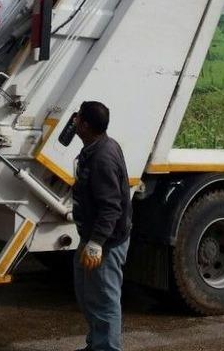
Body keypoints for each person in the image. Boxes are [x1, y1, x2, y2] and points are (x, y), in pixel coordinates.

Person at [71, 101, 132, 351]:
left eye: (78, 118)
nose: (73, 121)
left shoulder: (102, 158)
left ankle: (107, 348)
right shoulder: (97, 146)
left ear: (85, 125)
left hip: (105, 242)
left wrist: (96, 243)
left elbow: (111, 207)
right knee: (89, 297)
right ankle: (96, 345)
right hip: (93, 237)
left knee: (105, 301)